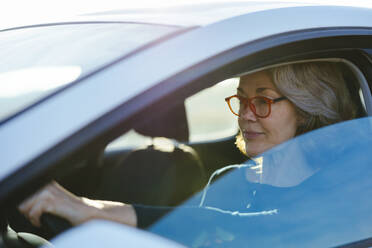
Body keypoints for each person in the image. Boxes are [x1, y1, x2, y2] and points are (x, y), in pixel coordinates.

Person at [18, 61, 361, 230]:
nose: (246, 115)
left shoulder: (339, 186)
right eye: (241, 101)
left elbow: (250, 227)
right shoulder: (229, 179)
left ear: (304, 109)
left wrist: (88, 210)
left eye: (263, 101)